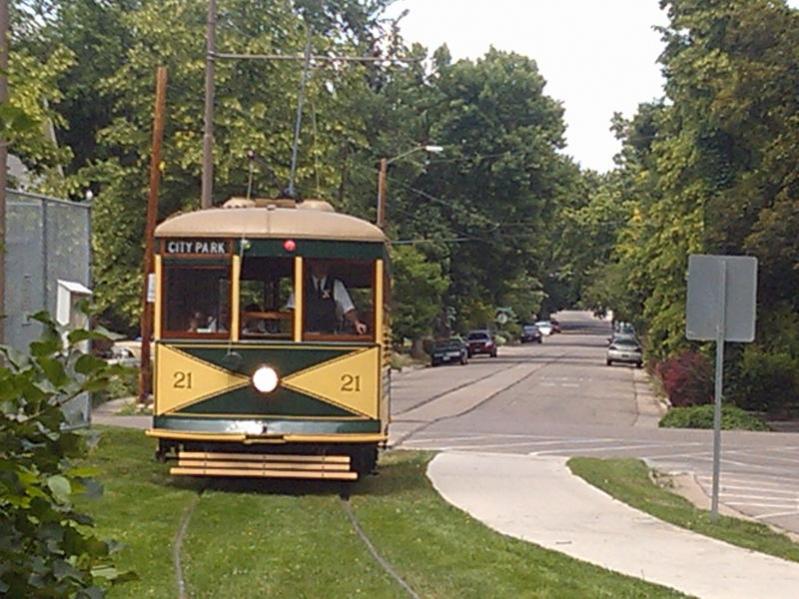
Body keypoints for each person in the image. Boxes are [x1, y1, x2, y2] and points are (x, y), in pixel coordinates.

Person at [285, 260, 367, 335]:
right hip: (306, 334)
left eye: (324, 263)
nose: (321, 266)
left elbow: (348, 308)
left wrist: (357, 323)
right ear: (312, 264)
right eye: (318, 263)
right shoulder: (302, 284)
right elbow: (293, 309)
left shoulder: (336, 284)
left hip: (328, 334)